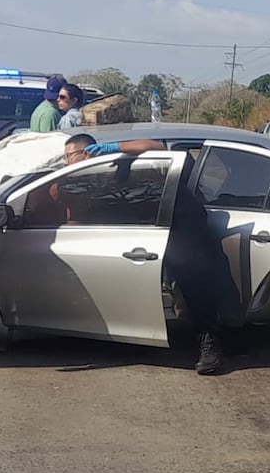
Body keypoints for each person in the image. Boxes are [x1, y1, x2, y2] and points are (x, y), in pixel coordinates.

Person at [64, 133, 233, 375]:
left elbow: (155, 146)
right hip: (141, 227)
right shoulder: (78, 180)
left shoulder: (117, 158)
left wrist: (113, 147)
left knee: (192, 274)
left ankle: (210, 346)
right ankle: (136, 338)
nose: (66, 162)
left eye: (69, 156)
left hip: (178, 217)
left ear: (86, 151)